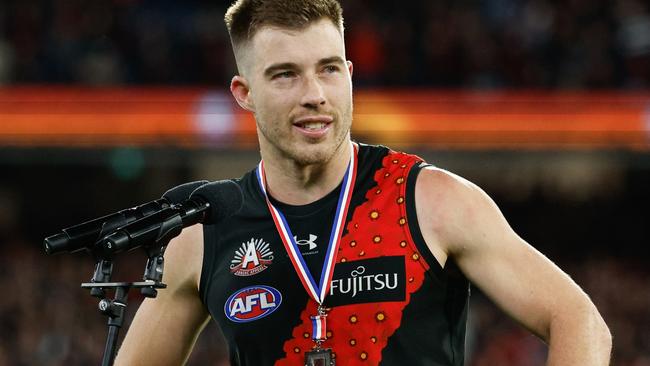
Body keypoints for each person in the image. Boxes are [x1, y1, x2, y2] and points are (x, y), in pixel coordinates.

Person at [115, 0, 612, 365]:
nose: (314, 94)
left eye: (329, 69)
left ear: (350, 73)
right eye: (286, 75)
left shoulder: (431, 201)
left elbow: (578, 321)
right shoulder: (202, 235)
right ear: (244, 92)